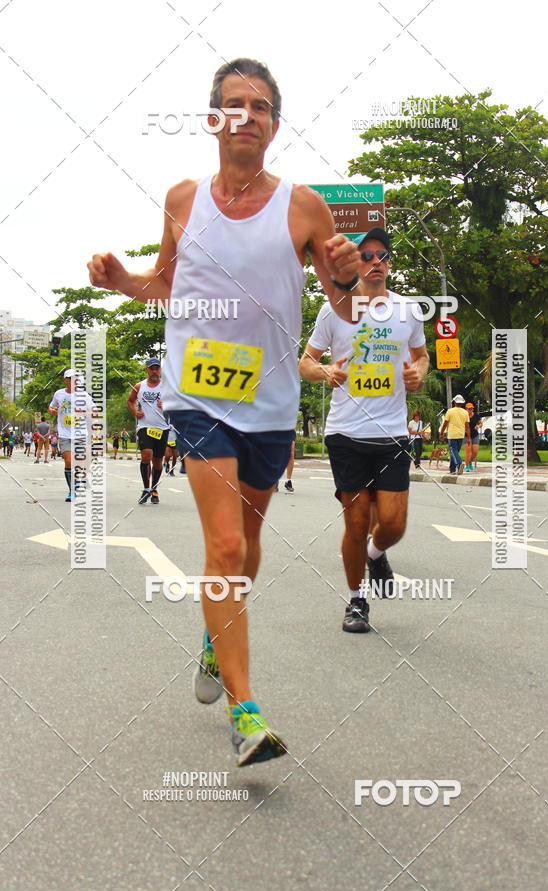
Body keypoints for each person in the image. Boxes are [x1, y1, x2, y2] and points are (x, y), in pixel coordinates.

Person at [87, 57, 362, 766]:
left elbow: (345, 307)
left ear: (274, 124)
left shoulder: (304, 207)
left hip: (269, 401)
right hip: (198, 394)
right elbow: (166, 284)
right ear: (213, 119)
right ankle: (246, 713)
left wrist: (348, 277)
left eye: (261, 106)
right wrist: (125, 282)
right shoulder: (183, 198)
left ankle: (213, 641)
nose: (247, 115)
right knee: (227, 549)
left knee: (247, 541)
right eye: (233, 104)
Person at [299, 226, 429, 633]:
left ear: (389, 263)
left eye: (382, 255)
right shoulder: (332, 310)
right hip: (346, 433)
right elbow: (305, 362)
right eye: (367, 256)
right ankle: (357, 601)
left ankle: (376, 552)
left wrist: (418, 374)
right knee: (355, 522)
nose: (375, 262)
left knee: (393, 524)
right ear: (355, 264)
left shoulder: (408, 311)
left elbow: (422, 357)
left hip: (391, 433)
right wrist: (326, 371)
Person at [127, 358, 169, 504]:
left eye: (157, 368)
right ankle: (146, 489)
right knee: (147, 455)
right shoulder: (139, 386)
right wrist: (135, 412)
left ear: (160, 370)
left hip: (162, 428)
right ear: (147, 370)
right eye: (152, 368)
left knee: (158, 461)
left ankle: (154, 489)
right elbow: (129, 401)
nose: (154, 371)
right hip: (145, 426)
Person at [48, 369, 94, 501]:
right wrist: (52, 411)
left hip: (80, 433)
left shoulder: (84, 396)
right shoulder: (59, 394)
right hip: (64, 433)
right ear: (65, 380)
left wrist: (84, 413)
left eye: (76, 378)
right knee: (68, 462)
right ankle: (72, 491)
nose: (73, 380)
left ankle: (81, 480)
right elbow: (51, 407)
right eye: (70, 378)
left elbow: (94, 413)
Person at [439, 394, 471, 475]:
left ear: (454, 402)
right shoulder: (465, 413)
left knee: (453, 452)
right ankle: (452, 469)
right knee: (454, 452)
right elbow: (467, 426)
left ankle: (459, 463)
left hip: (452, 435)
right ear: (462, 403)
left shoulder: (450, 411)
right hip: (461, 435)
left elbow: (445, 423)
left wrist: (442, 433)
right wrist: (469, 438)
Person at [464, 403, 482, 472]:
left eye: (471, 408)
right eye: (468, 408)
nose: (470, 410)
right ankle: (467, 465)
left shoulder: (476, 416)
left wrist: (478, 426)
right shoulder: (464, 416)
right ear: (466, 409)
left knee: (475, 451)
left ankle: (470, 462)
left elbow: (480, 423)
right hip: (466, 435)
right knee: (468, 452)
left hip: (475, 435)